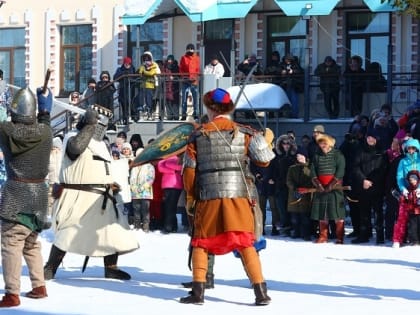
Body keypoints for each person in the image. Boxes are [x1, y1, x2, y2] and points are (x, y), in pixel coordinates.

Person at [180, 88, 274, 305]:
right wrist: (265, 140)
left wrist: (190, 198)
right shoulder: (245, 131)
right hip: (240, 195)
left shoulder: (197, 134)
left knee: (201, 243)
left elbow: (189, 171)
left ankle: (198, 292)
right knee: (245, 243)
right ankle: (260, 292)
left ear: (210, 108)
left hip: (208, 195)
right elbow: (265, 161)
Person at [43, 105, 139, 281]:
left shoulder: (102, 144)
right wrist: (88, 125)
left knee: (111, 232)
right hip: (79, 195)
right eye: (98, 122)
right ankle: (50, 267)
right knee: (69, 232)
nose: (100, 127)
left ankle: (111, 268)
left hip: (103, 196)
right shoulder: (72, 136)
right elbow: (75, 150)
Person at [0, 86, 53, 307]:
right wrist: (44, 108)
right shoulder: (45, 132)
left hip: (17, 193)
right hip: (39, 194)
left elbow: (6, 123)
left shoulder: (6, 130)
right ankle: (38, 285)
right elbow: (45, 122)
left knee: (11, 242)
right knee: (31, 243)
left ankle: (12, 293)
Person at [351, 128, 388, 244]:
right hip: (363, 186)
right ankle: (364, 234)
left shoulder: (382, 152)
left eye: (372, 138)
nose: (370, 140)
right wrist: (363, 180)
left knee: (378, 212)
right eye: (368, 137)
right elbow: (355, 167)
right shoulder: (360, 150)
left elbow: (383, 169)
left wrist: (372, 181)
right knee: (364, 212)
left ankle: (380, 236)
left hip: (377, 186)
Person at [310, 133, 346, 244]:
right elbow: (313, 171)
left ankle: (340, 237)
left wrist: (331, 185)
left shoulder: (338, 155)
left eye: (325, 143)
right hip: (320, 189)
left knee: (337, 214)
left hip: (335, 188)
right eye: (321, 143)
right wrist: (318, 185)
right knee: (322, 213)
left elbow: (340, 170)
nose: (323, 145)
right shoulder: (316, 156)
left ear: (329, 144)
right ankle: (323, 236)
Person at [286, 146, 313, 241]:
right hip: (294, 195)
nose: (299, 157)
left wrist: (305, 189)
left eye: (301, 155)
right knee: (294, 218)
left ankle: (306, 233)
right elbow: (288, 180)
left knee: (305, 217)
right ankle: (296, 232)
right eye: (298, 156)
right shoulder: (292, 168)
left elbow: (312, 180)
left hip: (306, 195)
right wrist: (294, 187)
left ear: (305, 156)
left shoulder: (310, 168)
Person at [393, 170, 420, 248]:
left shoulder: (418, 190)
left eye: (414, 179)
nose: (413, 182)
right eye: (411, 180)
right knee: (413, 227)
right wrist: (401, 197)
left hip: (418, 211)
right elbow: (404, 200)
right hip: (412, 212)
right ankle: (414, 240)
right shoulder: (408, 190)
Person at [158, 155, 183, 233]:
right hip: (166, 185)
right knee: (169, 207)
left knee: (170, 207)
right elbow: (160, 167)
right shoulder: (165, 158)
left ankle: (168, 227)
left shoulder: (178, 158)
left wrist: (167, 165)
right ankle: (173, 227)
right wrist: (172, 171)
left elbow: (180, 167)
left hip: (175, 185)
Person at [179, 43, 200, 120]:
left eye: (191, 49)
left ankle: (196, 113)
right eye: (189, 49)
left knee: (195, 98)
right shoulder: (183, 58)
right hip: (185, 81)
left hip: (194, 81)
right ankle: (184, 114)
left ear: (193, 50)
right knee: (184, 98)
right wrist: (183, 77)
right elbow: (181, 69)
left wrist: (195, 77)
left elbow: (197, 69)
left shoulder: (197, 58)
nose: (190, 50)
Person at [138, 51, 161, 120]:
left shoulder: (155, 65)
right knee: (142, 101)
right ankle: (143, 114)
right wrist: (143, 69)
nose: (146, 61)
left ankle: (150, 114)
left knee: (150, 101)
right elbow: (140, 72)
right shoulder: (142, 66)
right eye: (145, 59)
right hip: (143, 85)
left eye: (148, 59)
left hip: (152, 86)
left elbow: (151, 73)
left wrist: (144, 72)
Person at [279, 54, 304, 118]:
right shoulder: (281, 65)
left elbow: (301, 71)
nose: (288, 61)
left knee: (294, 101)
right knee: (285, 102)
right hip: (284, 86)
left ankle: (294, 116)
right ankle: (286, 115)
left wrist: (293, 71)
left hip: (294, 86)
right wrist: (281, 72)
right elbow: (277, 71)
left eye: (289, 59)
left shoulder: (296, 65)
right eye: (287, 59)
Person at [113, 56, 136, 124]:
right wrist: (123, 74)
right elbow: (115, 77)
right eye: (126, 63)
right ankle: (125, 118)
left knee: (131, 102)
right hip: (123, 90)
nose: (127, 65)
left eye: (128, 63)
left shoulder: (133, 69)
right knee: (124, 104)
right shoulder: (120, 69)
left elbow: (135, 77)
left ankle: (133, 116)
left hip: (131, 89)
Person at [163, 55, 180, 120]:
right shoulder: (165, 67)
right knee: (168, 102)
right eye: (168, 60)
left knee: (175, 102)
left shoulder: (176, 67)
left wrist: (174, 78)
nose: (169, 61)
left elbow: (179, 76)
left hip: (175, 87)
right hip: (167, 86)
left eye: (171, 60)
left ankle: (176, 116)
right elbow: (163, 74)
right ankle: (169, 116)